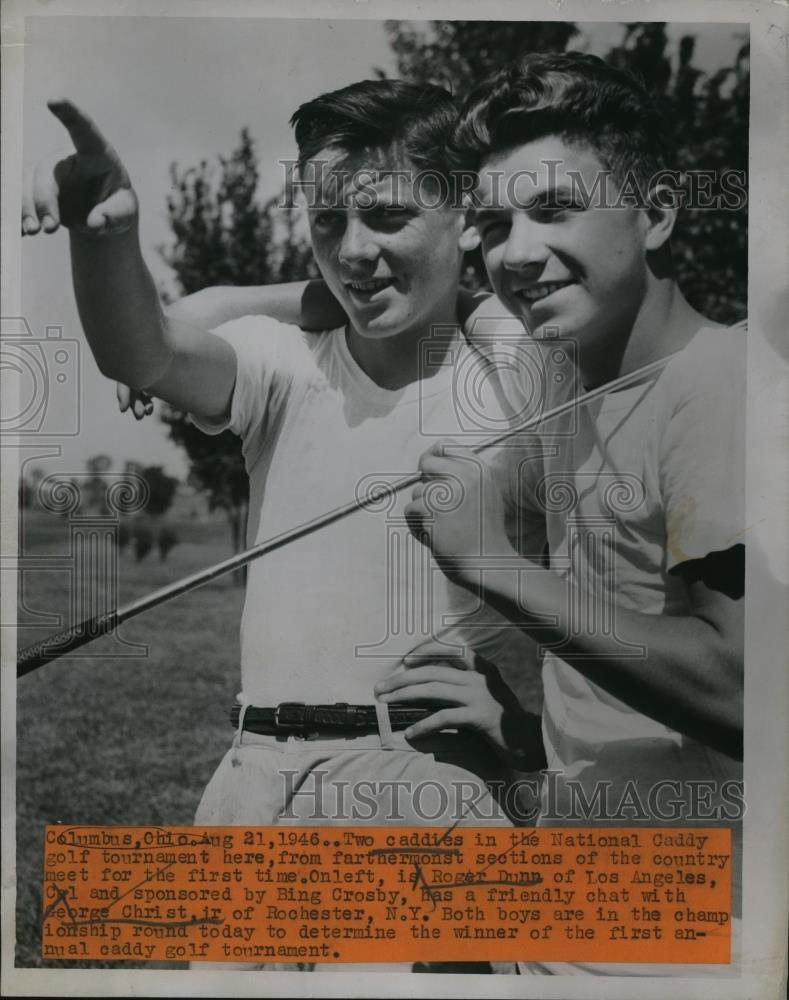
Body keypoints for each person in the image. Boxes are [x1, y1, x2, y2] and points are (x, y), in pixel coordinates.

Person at [22, 78, 541, 972]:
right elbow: (142, 349)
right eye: (328, 222)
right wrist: (106, 242)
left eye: (384, 217)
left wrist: (524, 729)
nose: (354, 252)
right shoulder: (287, 366)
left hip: (418, 781)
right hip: (251, 778)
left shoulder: (520, 372)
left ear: (466, 216)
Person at [381, 53, 745, 976]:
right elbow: (437, 301)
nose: (514, 252)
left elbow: (744, 690)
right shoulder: (571, 378)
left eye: (553, 209)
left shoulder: (724, 386)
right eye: (494, 223)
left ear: (656, 212)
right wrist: (526, 736)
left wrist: (493, 564)